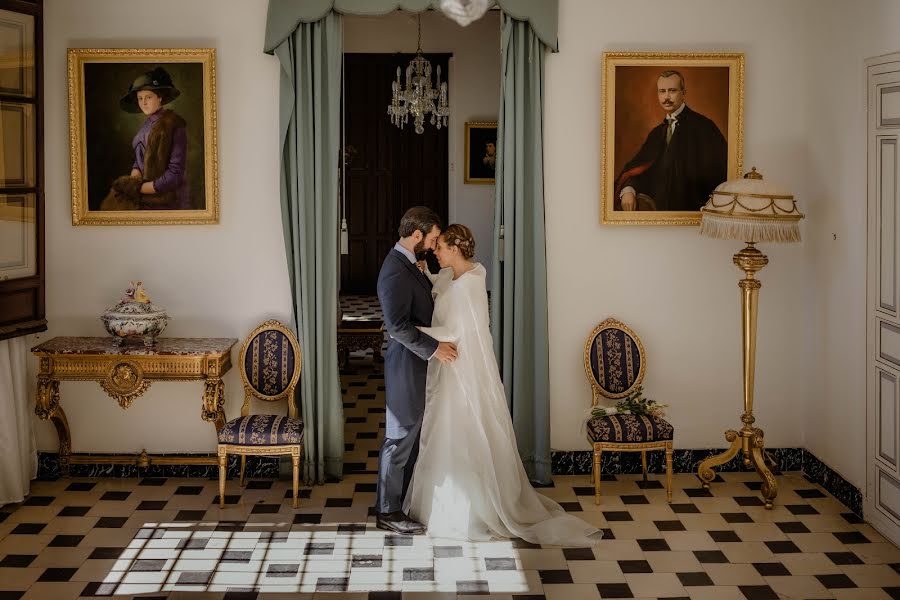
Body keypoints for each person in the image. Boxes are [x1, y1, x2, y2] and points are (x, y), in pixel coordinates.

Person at [403, 224, 602, 545]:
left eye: (438, 247)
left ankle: (469, 510)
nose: (434, 251)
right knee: (445, 431)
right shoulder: (459, 275)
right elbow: (439, 282)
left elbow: (453, 333)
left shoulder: (468, 286)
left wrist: (412, 332)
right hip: (450, 366)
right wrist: (424, 271)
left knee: (461, 431)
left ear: (453, 248)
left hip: (461, 370)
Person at [375, 206, 459, 535]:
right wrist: (435, 348)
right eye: (433, 239)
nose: (434, 245)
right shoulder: (395, 270)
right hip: (405, 364)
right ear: (417, 235)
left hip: (416, 363)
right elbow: (397, 327)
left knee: (411, 436)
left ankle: (401, 501)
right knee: (399, 438)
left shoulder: (409, 263)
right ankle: (388, 512)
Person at [616, 69, 727, 212]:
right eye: (662, 91)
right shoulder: (656, 133)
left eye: (672, 90)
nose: (666, 97)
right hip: (659, 215)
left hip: (693, 214)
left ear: (683, 93)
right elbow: (641, 170)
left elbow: (721, 175)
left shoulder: (704, 127)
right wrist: (628, 189)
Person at [101, 67, 189, 211]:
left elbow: (175, 174)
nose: (143, 103)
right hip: (142, 192)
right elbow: (139, 159)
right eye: (140, 98)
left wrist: (138, 188)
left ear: (160, 97)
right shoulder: (145, 126)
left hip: (162, 197)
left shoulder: (174, 124)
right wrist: (133, 180)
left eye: (148, 97)